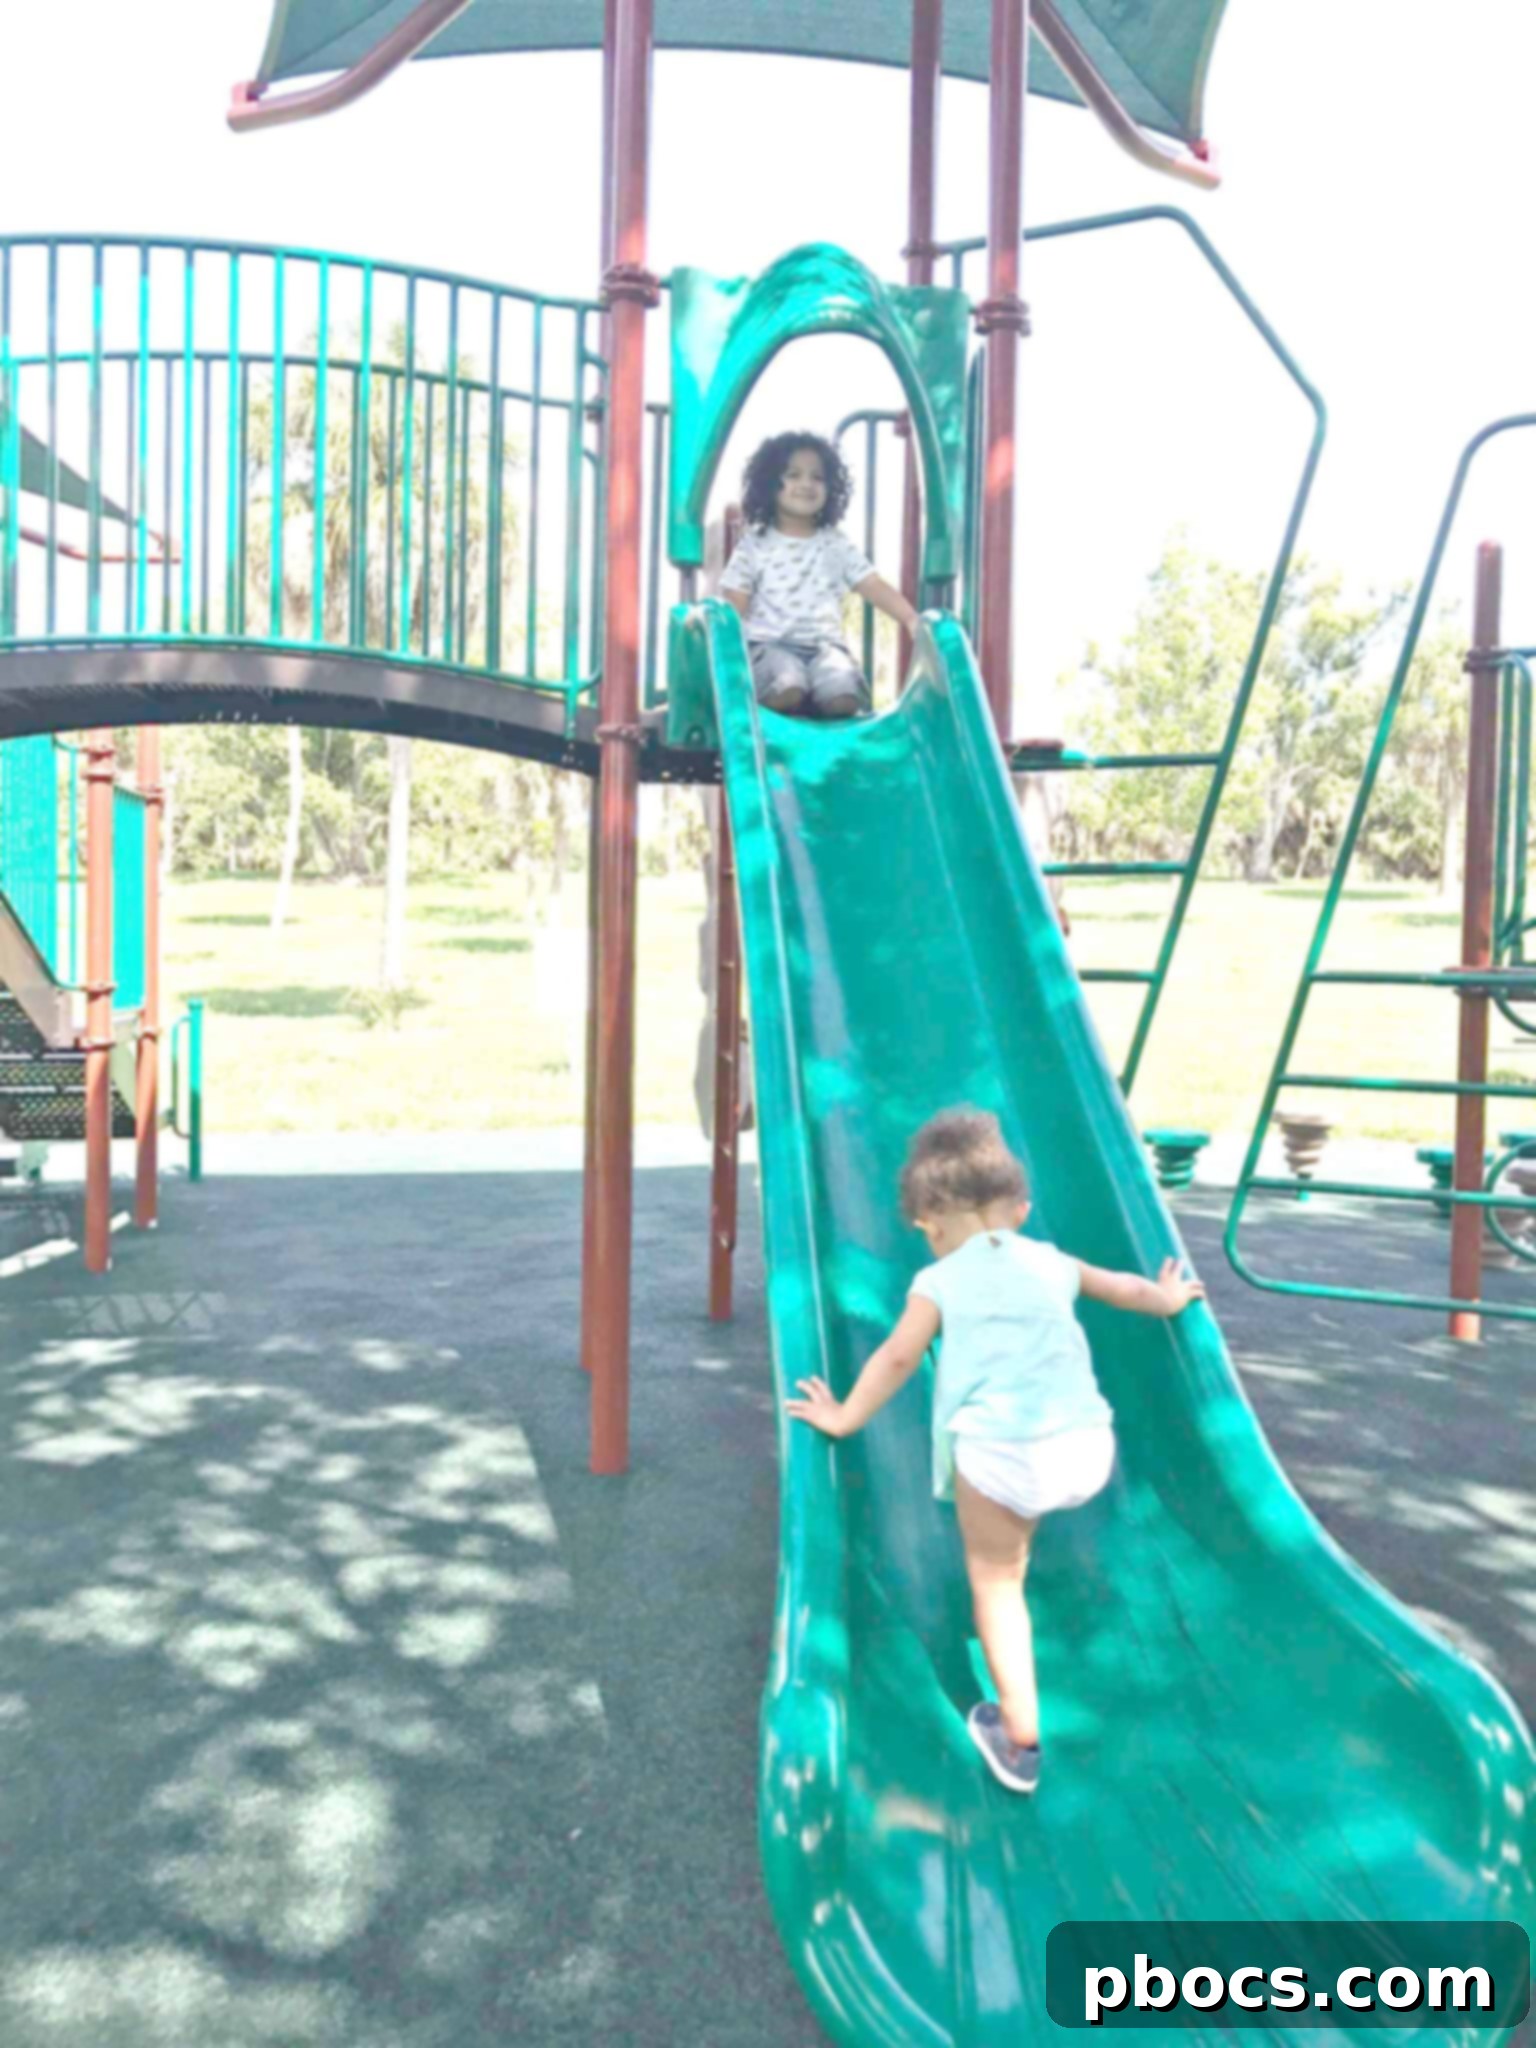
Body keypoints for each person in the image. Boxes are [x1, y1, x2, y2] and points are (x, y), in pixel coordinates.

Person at [784, 1107, 1204, 1795]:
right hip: (1084, 1447)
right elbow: (1124, 1290)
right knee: (1020, 1536)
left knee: (998, 1585)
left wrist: (842, 1416)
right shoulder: (1051, 1259)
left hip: (1002, 1454)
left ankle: (1021, 1736)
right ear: (1021, 1208)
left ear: (928, 1224)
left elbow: (896, 1359)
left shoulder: (938, 1281)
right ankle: (1032, 1604)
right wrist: (1169, 1297)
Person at [720, 431, 919, 718]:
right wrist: (721, 638)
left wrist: (910, 618)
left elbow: (871, 584)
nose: (806, 484)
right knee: (787, 682)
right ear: (769, 484)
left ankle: (819, 702)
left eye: (817, 477)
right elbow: (735, 599)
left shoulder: (835, 543)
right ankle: (775, 713)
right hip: (769, 646)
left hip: (825, 649)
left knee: (843, 692)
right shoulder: (755, 544)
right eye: (793, 474)